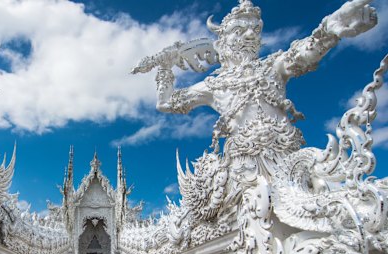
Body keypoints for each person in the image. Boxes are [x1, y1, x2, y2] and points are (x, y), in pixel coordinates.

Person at [133, 0, 377, 179]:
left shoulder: (272, 66)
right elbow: (166, 103)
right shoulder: (214, 84)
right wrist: (165, 69)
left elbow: (302, 55)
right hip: (245, 167)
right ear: (222, 43)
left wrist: (330, 29)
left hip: (290, 158)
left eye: (255, 29)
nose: (249, 35)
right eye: (240, 31)